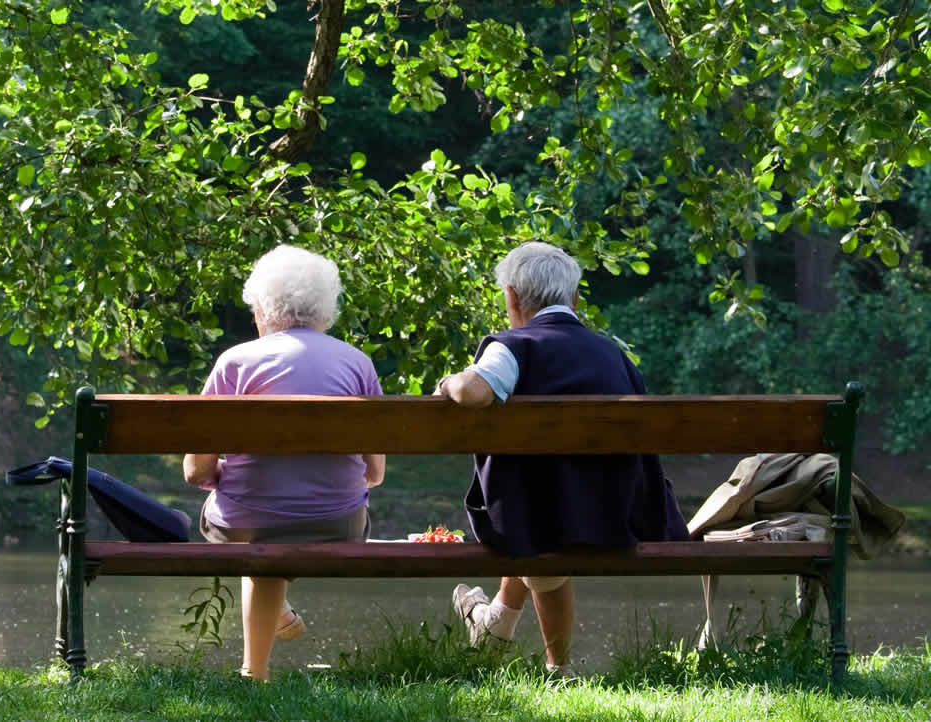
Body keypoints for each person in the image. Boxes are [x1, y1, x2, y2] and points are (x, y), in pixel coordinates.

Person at [435, 241, 689, 677]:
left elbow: (474, 393)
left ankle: (555, 665)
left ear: (512, 298)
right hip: (614, 515)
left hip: (537, 520)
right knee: (548, 486)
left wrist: (450, 381)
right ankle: (498, 626)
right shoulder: (615, 356)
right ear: (574, 300)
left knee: (534, 500)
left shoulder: (513, 347)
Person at [183, 244, 385, 681]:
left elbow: (196, 470)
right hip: (340, 523)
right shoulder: (358, 364)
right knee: (269, 516)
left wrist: (222, 477)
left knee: (254, 517)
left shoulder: (234, 362)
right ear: (325, 310)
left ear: (264, 308)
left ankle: (254, 670)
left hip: (245, 523)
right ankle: (261, 650)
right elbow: (376, 472)